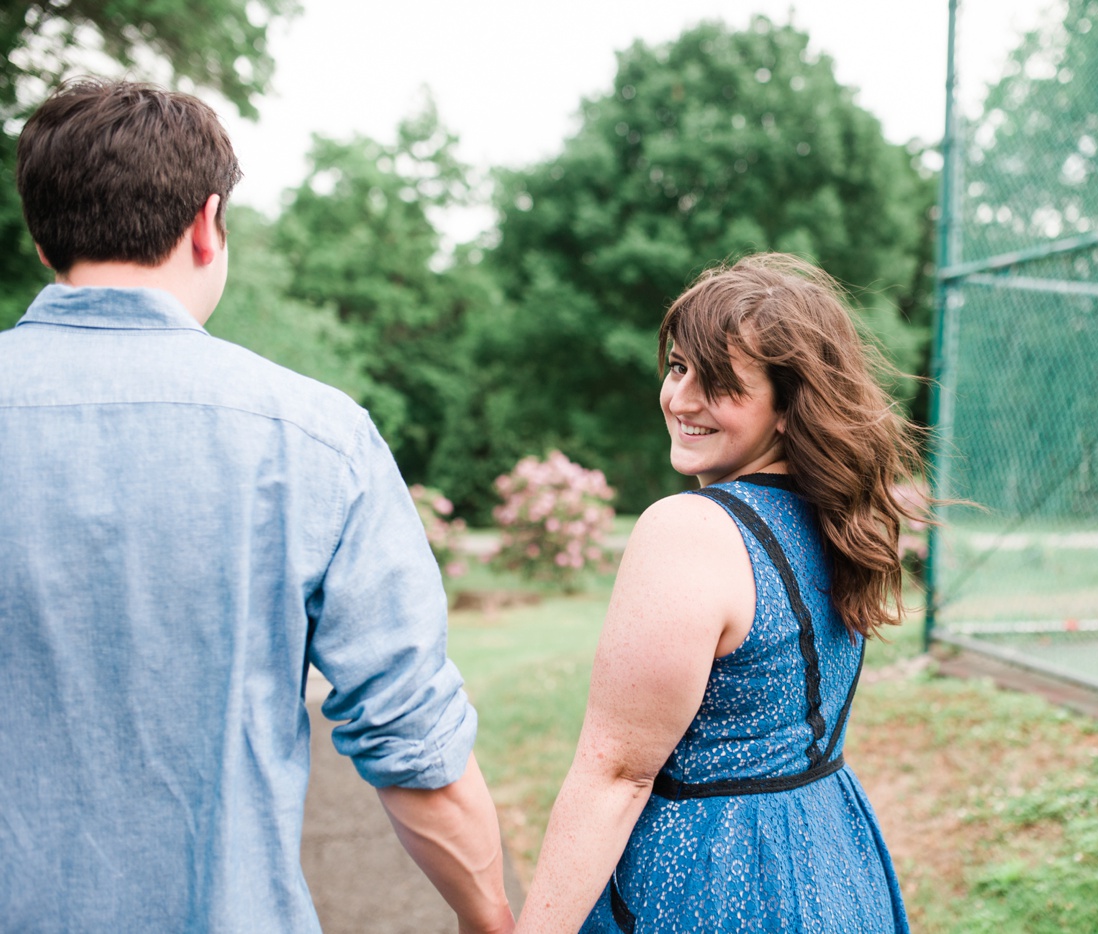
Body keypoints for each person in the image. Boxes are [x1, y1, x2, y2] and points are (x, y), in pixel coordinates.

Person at [0, 79, 514, 934]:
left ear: (44, 237)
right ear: (207, 224)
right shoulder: (317, 439)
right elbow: (409, 733)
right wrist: (490, 916)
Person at [516, 254, 920, 932]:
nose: (680, 399)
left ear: (791, 407)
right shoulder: (839, 521)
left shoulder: (690, 529)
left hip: (709, 881)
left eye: (721, 382)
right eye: (678, 368)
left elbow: (615, 776)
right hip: (835, 864)